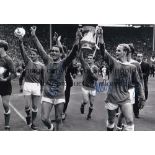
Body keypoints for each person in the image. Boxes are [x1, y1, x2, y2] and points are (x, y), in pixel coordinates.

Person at [30, 26, 80, 131]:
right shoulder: (47, 60)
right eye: (52, 51)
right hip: (47, 94)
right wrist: (34, 36)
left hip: (59, 94)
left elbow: (73, 53)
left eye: (56, 51)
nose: (53, 52)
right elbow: (40, 49)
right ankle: (50, 127)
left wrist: (77, 40)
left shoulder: (64, 63)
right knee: (44, 118)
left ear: (61, 53)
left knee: (58, 118)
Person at [97, 27, 145, 131]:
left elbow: (138, 83)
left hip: (125, 98)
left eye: (118, 50)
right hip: (112, 98)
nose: (116, 52)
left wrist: (142, 97)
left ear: (125, 52)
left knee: (130, 122)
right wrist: (101, 37)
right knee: (110, 121)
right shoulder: (114, 62)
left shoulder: (132, 67)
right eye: (116, 50)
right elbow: (102, 51)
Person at [18, 37, 45, 130]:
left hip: (37, 86)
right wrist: (20, 43)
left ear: (37, 55)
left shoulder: (42, 66)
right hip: (27, 85)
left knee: (35, 106)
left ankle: (33, 123)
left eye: (34, 54)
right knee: (26, 106)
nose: (32, 56)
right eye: (31, 54)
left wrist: (42, 88)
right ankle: (28, 115)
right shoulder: (28, 61)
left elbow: (43, 79)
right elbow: (23, 52)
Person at [0, 40, 16, 130]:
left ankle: (7, 124)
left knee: (5, 104)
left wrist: (6, 79)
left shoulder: (8, 60)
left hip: (5, 85)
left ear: (2, 48)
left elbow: (14, 73)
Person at [79, 52, 98, 120]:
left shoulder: (95, 68)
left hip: (92, 88)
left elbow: (96, 78)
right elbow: (81, 58)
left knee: (92, 104)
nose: (89, 59)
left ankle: (89, 114)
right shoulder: (85, 65)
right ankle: (82, 105)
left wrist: (92, 73)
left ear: (93, 60)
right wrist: (80, 49)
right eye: (88, 58)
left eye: (91, 58)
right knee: (86, 101)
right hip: (85, 87)